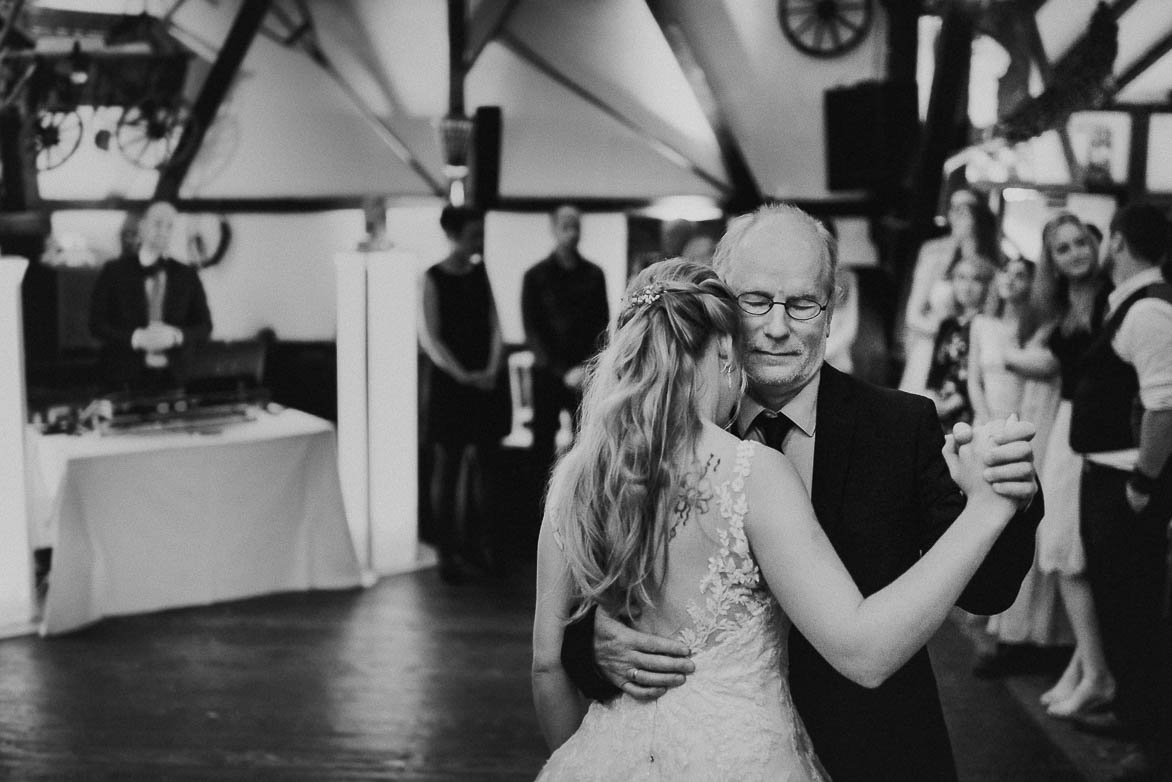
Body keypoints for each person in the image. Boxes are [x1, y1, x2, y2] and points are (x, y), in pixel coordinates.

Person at [558, 204, 1043, 782]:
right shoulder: (664, 440)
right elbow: (585, 599)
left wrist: (1010, 494)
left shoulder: (901, 426)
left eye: (802, 303)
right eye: (756, 301)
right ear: (718, 303)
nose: (779, 326)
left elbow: (987, 591)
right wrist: (592, 644)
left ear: (832, 308)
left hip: (877, 753)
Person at [1070, 203, 1172, 780]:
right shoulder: (1132, 303)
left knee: (1135, 611)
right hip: (1107, 474)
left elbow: (1164, 407)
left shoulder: (1150, 309)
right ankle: (1132, 714)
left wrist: (1142, 483)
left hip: (1127, 481)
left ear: (1116, 243)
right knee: (1117, 601)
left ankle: (1152, 746)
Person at [999, 213, 1116, 717]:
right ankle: (1085, 666)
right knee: (1061, 546)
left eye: (1080, 242)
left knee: (1070, 550)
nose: (1075, 253)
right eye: (1062, 249)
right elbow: (1029, 354)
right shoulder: (1063, 307)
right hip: (1069, 429)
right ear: (1053, 260)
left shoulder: (1113, 296)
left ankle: (1095, 671)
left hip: (1092, 430)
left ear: (1097, 241)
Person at [968, 256, 1070, 673]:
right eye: (1007, 272)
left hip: (1022, 425)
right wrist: (984, 421)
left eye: (1022, 274)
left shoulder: (1033, 331)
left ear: (1032, 284)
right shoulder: (981, 325)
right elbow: (973, 376)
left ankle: (1015, 630)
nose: (1012, 279)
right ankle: (990, 618)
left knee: (1017, 523)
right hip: (987, 423)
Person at [418, 205, 508, 584]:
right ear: (453, 235)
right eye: (473, 234)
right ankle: (447, 552)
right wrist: (463, 375)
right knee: (449, 465)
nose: (479, 242)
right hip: (449, 383)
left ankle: (480, 545)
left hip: (482, 380)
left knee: (484, 466)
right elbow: (430, 337)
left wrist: (490, 368)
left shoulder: (480, 273)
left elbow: (494, 325)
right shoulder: (432, 277)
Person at [521, 205, 610, 473]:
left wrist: (587, 367)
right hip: (548, 372)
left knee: (584, 441)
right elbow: (532, 330)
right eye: (565, 227)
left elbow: (601, 325)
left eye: (575, 227)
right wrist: (561, 371)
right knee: (542, 444)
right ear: (554, 230)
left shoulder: (594, 274)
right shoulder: (535, 276)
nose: (571, 234)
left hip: (584, 372)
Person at [89, 200, 213, 392]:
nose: (163, 231)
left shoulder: (187, 274)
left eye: (169, 226)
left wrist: (176, 336)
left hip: (174, 378)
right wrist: (136, 338)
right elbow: (96, 325)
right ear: (142, 226)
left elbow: (205, 327)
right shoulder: (114, 271)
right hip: (123, 379)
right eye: (157, 223)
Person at [900, 187, 999, 395]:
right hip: (933, 349)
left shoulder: (993, 261)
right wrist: (949, 334)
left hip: (977, 354)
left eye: (964, 209)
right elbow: (913, 315)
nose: (955, 215)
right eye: (952, 208)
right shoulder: (933, 253)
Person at [923, 255, 996, 431]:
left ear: (987, 285)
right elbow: (936, 371)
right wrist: (934, 403)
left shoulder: (987, 325)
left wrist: (950, 406)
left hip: (972, 410)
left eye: (976, 279)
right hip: (940, 407)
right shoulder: (947, 325)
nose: (967, 286)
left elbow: (980, 376)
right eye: (961, 277)